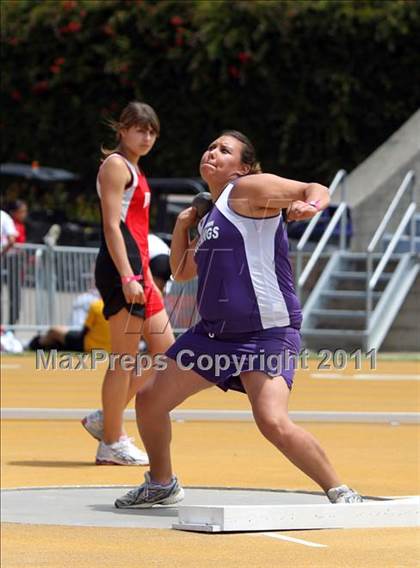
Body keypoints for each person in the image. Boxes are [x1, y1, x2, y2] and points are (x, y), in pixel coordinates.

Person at [115, 130, 363, 508]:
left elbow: (315, 187)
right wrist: (184, 226)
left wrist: (310, 206)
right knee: (149, 401)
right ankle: (162, 483)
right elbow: (183, 272)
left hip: (265, 333)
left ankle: (341, 490)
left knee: (272, 421)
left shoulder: (249, 189)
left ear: (242, 167)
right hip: (214, 336)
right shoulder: (213, 212)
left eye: (224, 150)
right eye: (211, 145)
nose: (212, 151)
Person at [81, 101, 175, 466]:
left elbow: (137, 228)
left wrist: (147, 274)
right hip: (122, 270)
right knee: (123, 358)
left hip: (140, 269)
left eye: (152, 131)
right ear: (122, 129)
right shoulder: (116, 166)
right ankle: (111, 441)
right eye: (140, 128)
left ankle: (108, 417)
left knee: (167, 352)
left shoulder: (135, 168)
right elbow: (111, 226)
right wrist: (127, 275)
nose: (147, 136)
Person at [28, 298, 111, 353]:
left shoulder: (97, 306)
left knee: (53, 331)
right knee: (62, 334)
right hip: (110, 348)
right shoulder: (122, 308)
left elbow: (84, 331)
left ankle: (36, 343)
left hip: (88, 345)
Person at [5, 200, 28, 325]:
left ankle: (12, 323)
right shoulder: (9, 223)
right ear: (14, 213)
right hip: (9, 260)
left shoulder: (21, 226)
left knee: (16, 295)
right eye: (22, 211)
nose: (25, 214)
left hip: (17, 262)